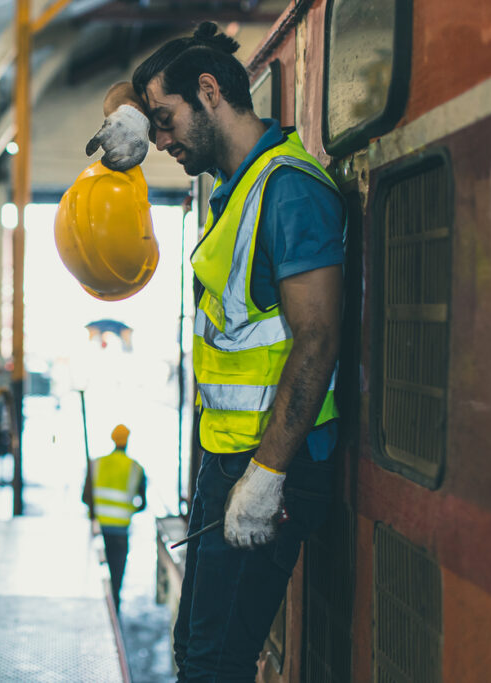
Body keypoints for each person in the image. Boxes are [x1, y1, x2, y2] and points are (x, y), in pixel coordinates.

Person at [85, 22, 344, 682]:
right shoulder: (239, 187)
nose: (162, 142)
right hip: (226, 458)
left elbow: (317, 337)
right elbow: (140, 89)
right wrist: (129, 114)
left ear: (209, 91)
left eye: (166, 123)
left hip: (269, 466)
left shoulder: (289, 189)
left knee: (214, 663)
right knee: (194, 651)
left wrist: (267, 474)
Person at [83, 424, 147, 614]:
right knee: (116, 576)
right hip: (120, 531)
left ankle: (97, 610)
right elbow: (142, 504)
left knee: (96, 576)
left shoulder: (96, 464)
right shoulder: (136, 468)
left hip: (98, 530)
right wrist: (128, 510)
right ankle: (114, 612)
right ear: (127, 441)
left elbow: (85, 498)